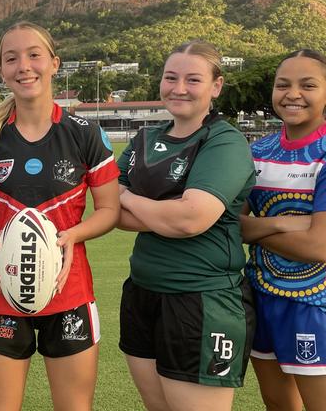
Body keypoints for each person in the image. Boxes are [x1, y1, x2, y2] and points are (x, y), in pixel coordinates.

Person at [0, 21, 120, 411]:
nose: (23, 66)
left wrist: (72, 236)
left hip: (70, 293)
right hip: (2, 293)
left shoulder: (85, 133)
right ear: (1, 70)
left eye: (34, 55)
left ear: (54, 63)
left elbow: (110, 210)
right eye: (11, 58)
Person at [116, 40, 256, 411]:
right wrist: (164, 209)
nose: (178, 88)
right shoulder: (146, 139)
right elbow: (109, 211)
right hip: (143, 292)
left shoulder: (224, 141)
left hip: (202, 299)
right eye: (170, 77)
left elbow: (191, 219)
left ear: (216, 86)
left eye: (193, 79)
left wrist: (129, 198)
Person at [241, 50, 326, 411]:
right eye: (283, 85)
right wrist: (281, 221)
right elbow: (233, 226)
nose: (292, 94)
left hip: (318, 305)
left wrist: (255, 228)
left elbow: (320, 246)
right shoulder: (257, 150)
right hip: (260, 299)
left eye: (307, 85)